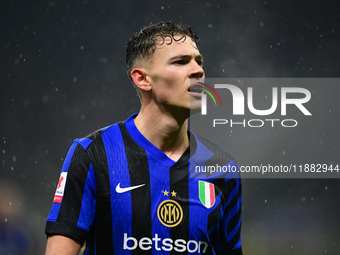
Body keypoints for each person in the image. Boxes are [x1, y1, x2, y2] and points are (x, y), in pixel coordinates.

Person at [45, 21, 243, 255]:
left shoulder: (222, 168)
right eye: (180, 62)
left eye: (198, 61)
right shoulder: (94, 153)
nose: (198, 70)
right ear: (142, 79)